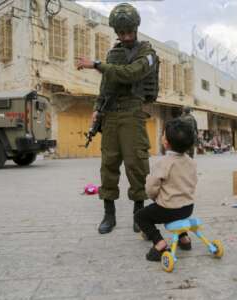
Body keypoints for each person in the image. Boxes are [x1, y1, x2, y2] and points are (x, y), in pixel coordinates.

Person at [77, 3, 159, 234]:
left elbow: (132, 73)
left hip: (133, 111)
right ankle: (109, 214)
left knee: (136, 163)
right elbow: (106, 86)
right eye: (121, 33)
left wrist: (96, 65)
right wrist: (97, 108)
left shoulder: (147, 53)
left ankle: (138, 214)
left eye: (128, 32)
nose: (125, 37)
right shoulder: (114, 53)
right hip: (111, 113)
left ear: (136, 28)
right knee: (109, 164)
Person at [134, 118, 197, 261]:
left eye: (163, 134)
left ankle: (160, 243)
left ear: (165, 142)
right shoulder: (191, 162)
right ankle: (184, 239)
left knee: (140, 216)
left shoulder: (163, 163)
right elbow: (193, 183)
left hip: (169, 208)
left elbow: (151, 187)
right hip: (188, 207)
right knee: (176, 214)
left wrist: (155, 197)